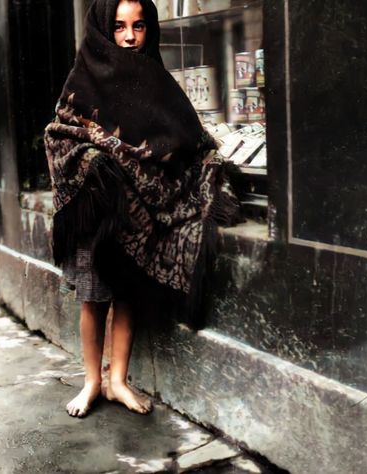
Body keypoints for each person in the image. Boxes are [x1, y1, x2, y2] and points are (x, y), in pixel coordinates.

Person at [45, 0, 243, 418]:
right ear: (103, 29)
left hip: (139, 214)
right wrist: (95, 164)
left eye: (138, 26)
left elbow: (184, 137)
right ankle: (92, 382)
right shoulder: (84, 76)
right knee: (92, 296)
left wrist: (196, 165)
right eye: (118, 27)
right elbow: (60, 133)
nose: (130, 37)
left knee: (128, 293)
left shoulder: (158, 82)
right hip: (96, 206)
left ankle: (118, 379)